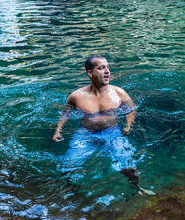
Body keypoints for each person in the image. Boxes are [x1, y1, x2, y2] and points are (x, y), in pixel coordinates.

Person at [53, 55, 153, 195]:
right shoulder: (77, 96)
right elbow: (66, 114)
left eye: (107, 67)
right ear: (90, 73)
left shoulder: (119, 93)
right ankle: (70, 189)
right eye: (101, 68)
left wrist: (128, 126)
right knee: (69, 165)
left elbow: (131, 110)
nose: (107, 71)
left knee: (128, 165)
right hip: (85, 134)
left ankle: (138, 189)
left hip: (112, 132)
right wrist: (58, 130)